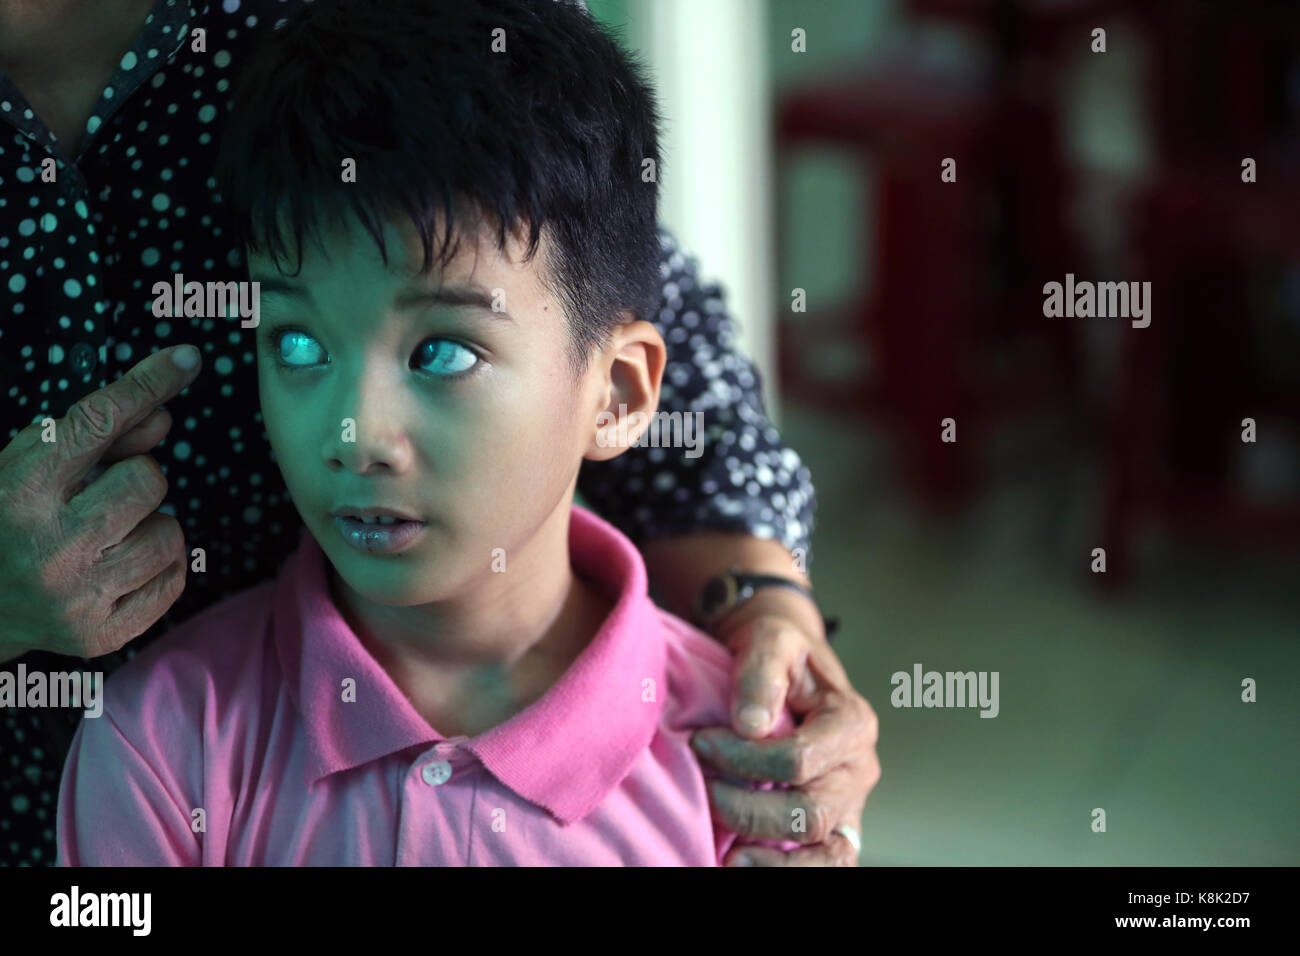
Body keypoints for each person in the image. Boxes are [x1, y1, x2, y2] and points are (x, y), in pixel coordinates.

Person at [2, 0, 879, 866]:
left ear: (617, 392)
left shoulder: (735, 761)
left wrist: (767, 621)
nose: (357, 436)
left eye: (443, 353)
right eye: (297, 343)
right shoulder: (154, 744)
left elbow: (601, 278)